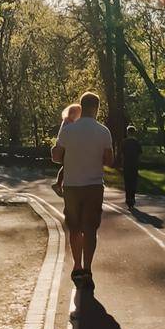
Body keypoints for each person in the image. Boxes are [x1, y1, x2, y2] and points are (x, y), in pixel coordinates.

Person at [51, 90, 113, 286]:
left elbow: (56, 157)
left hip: (72, 186)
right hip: (94, 185)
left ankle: (76, 266)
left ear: (81, 106)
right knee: (90, 229)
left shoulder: (68, 130)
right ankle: (87, 269)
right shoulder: (104, 132)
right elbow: (109, 161)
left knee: (75, 228)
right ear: (97, 109)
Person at [52, 103, 81, 197]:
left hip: (65, 147)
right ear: (72, 113)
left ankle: (60, 184)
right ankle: (62, 185)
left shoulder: (68, 121)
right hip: (66, 148)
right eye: (78, 113)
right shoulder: (69, 122)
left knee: (67, 166)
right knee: (68, 167)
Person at [122, 123, 142, 211]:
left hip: (126, 165)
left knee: (127, 182)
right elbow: (140, 153)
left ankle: (128, 199)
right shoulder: (136, 142)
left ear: (127, 132)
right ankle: (132, 199)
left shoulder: (124, 142)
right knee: (133, 182)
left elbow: (122, 153)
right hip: (134, 165)